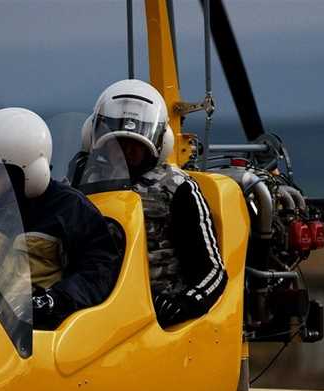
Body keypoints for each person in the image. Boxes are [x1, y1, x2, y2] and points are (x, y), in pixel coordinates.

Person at [86, 79, 227, 329]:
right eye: (118, 144)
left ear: (158, 144)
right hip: (91, 313)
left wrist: (183, 306)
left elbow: (213, 272)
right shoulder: (82, 183)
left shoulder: (179, 189)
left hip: (154, 321)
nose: (126, 153)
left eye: (135, 146)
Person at [0, 108, 121, 329]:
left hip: (32, 335)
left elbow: (100, 272)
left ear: (27, 172)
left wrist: (53, 301)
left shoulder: (69, 208)